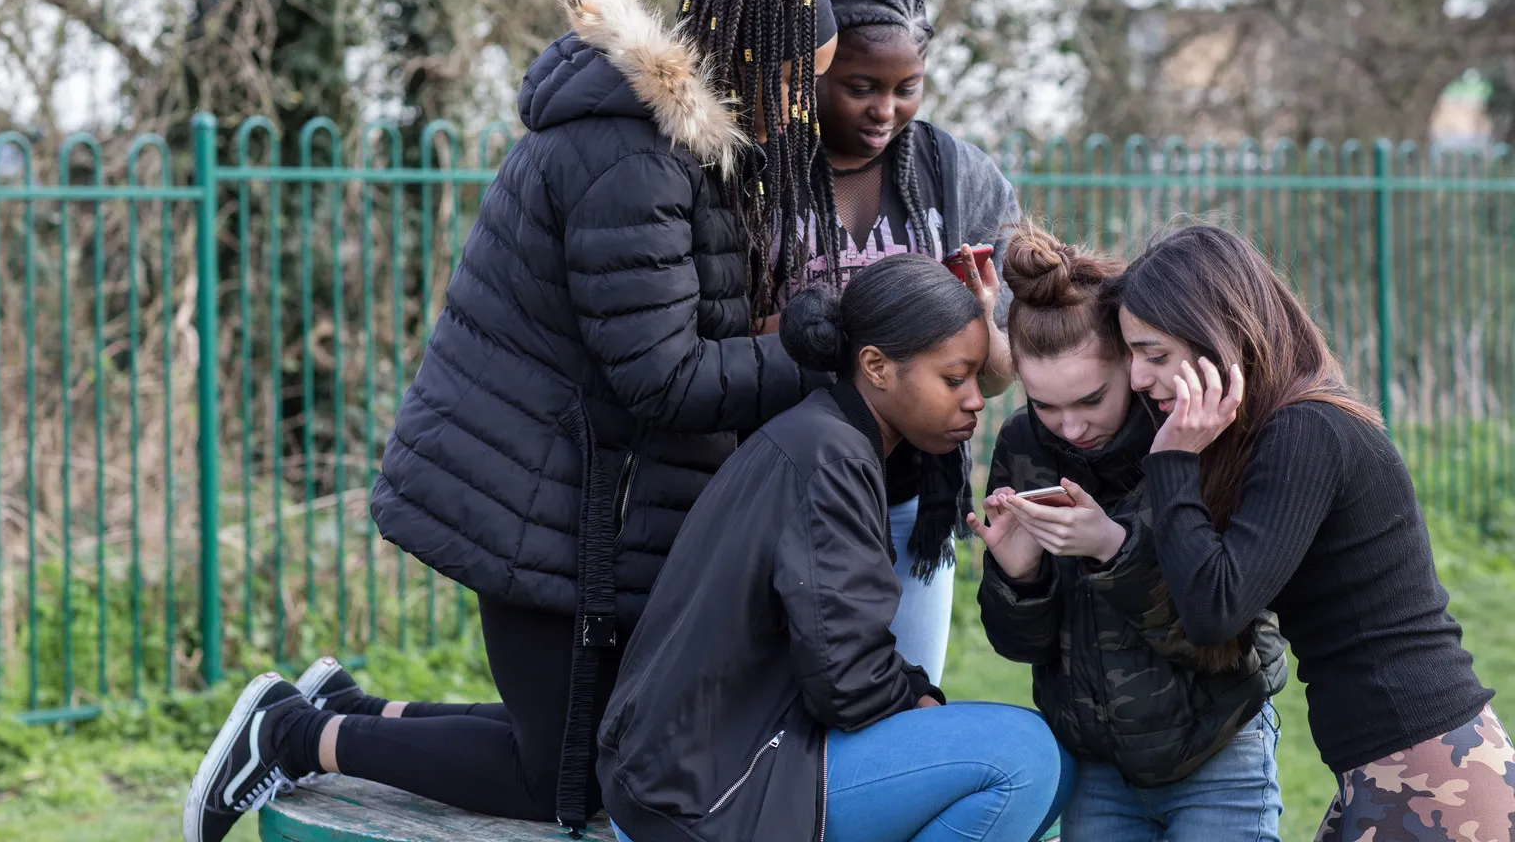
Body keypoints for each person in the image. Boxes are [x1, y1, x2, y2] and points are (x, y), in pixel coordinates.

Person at [183, 0, 846, 842]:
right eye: (797, 82)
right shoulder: (632, 160)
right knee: (567, 785)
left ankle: (352, 710)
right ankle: (294, 736)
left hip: (574, 500)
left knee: (586, 745)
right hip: (548, 506)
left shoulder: (676, 152)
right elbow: (666, 376)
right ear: (746, 57)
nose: (805, 109)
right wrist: (818, 353)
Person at [597, 253, 1073, 842]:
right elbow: (848, 682)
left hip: (681, 778)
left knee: (1048, 767)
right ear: (875, 366)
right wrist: (923, 705)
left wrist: (921, 701)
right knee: (1026, 759)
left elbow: (838, 649)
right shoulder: (832, 459)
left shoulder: (822, 436)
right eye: (955, 379)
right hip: (702, 799)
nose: (977, 399)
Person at [1104, 223, 1512, 842]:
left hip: (1429, 766)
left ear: (1223, 337)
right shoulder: (1281, 432)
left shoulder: (1306, 432)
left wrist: (1172, 464)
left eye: (1154, 355)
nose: (1137, 378)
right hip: (1394, 759)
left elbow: (1214, 609)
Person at [972, 223, 1287, 842]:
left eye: (1091, 399)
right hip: (1099, 771)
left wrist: (1111, 549)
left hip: (1218, 752)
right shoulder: (1022, 446)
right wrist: (1020, 576)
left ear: (1134, 362)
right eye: (1043, 405)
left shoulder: (1200, 437)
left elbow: (1225, 638)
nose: (1069, 427)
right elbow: (1023, 649)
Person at [777, 0, 1022, 682]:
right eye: (860, 88)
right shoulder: (768, 168)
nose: (885, 110)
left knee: (908, 697)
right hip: (791, 491)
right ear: (817, 70)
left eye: (906, 89)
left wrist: (981, 325)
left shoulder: (960, 179)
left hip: (914, 503)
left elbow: (1003, 374)